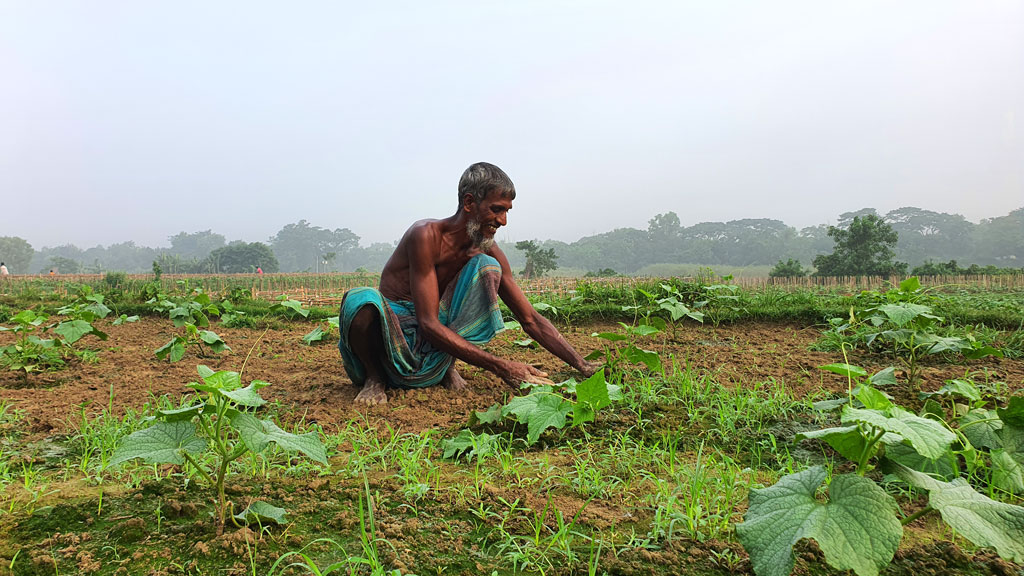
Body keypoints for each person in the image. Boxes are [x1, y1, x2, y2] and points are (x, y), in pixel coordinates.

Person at [338, 162, 598, 405]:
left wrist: (582, 364)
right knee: (359, 301)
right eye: (496, 209)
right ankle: (375, 377)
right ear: (469, 202)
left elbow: (529, 318)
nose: (503, 221)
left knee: (487, 269)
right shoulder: (426, 236)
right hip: (393, 332)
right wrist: (502, 366)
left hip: (436, 335)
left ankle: (446, 366)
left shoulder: (487, 252)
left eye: (506, 211)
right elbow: (427, 323)